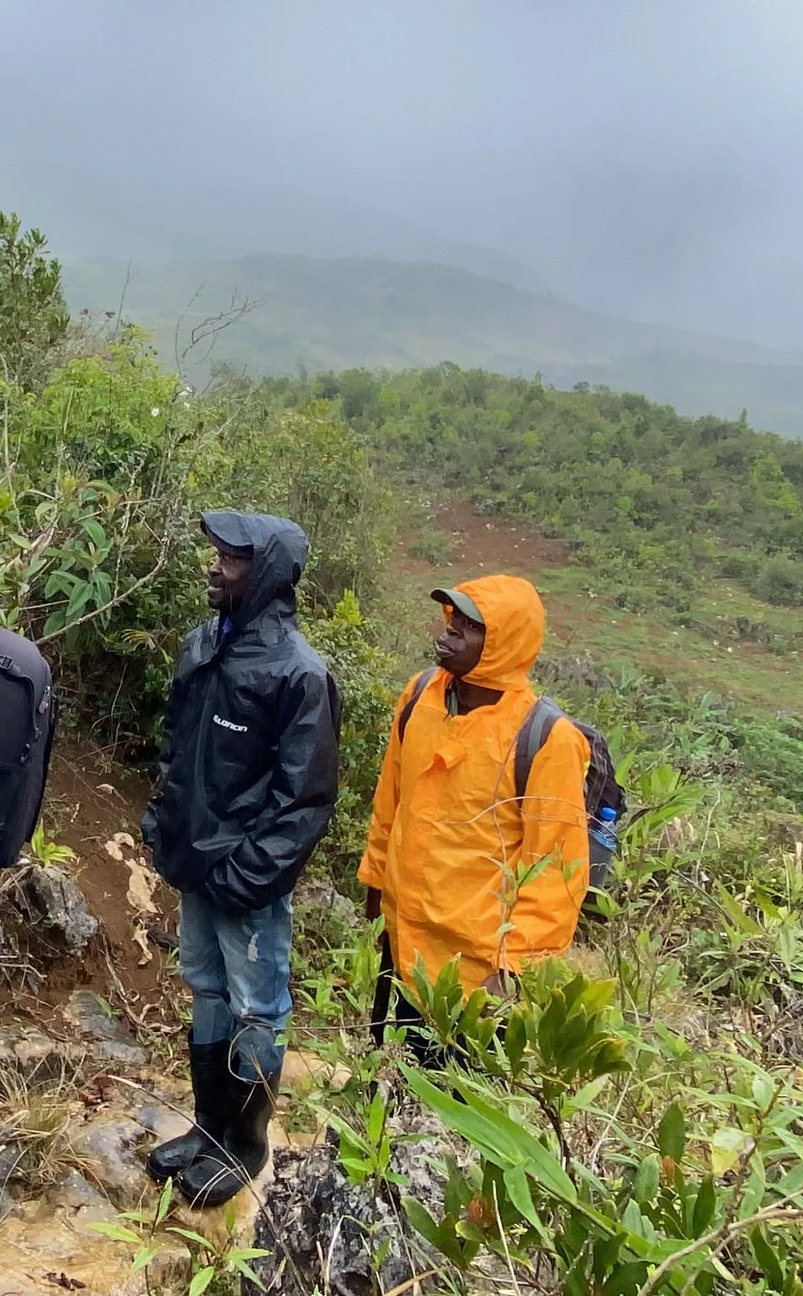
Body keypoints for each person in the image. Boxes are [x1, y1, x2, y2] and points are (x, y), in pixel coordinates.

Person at [141, 511, 341, 1208]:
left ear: (269, 574)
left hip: (246, 881)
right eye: (216, 554)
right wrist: (161, 821)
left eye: (232, 558)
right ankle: (209, 1128)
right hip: (197, 863)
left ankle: (245, 1145)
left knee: (258, 1007)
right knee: (207, 989)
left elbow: (305, 801)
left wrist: (245, 875)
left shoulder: (298, 673)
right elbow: (176, 746)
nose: (215, 566)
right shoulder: (203, 644)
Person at [359, 576, 592, 1048]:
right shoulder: (420, 696)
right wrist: (378, 884)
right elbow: (391, 800)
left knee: (451, 1108)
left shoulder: (546, 739)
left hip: (477, 977)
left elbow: (556, 872)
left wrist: (513, 969)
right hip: (407, 949)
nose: (448, 634)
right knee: (395, 1083)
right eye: (452, 621)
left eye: (469, 627)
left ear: (505, 644)